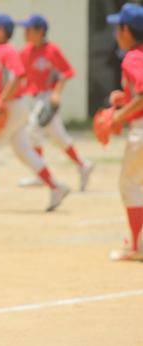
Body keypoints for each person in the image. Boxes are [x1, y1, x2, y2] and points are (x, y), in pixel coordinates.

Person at [0, 13, 69, 212]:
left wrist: (0, 100)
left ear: (0, 31)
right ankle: (56, 186)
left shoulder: (6, 50)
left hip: (10, 106)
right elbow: (6, 77)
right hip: (14, 106)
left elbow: (18, 75)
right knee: (24, 151)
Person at [16, 14, 94, 191]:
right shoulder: (26, 51)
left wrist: (57, 93)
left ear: (40, 31)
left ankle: (41, 173)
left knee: (32, 132)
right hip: (35, 98)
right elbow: (22, 76)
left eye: (29, 29)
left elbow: (67, 72)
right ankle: (83, 165)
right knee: (59, 138)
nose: (25, 33)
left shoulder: (52, 50)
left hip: (48, 98)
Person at [105, 4, 143, 261]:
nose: (116, 33)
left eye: (118, 27)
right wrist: (123, 99)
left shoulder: (133, 57)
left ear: (127, 30)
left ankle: (136, 246)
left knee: (129, 184)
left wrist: (118, 115)